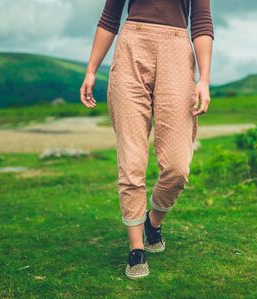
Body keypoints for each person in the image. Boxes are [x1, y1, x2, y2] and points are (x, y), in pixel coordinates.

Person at [79, 0, 214, 279]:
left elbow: (201, 22)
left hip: (177, 50)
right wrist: (91, 69)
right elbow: (109, 17)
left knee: (177, 167)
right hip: (131, 48)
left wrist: (204, 79)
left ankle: (153, 223)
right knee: (131, 160)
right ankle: (136, 248)